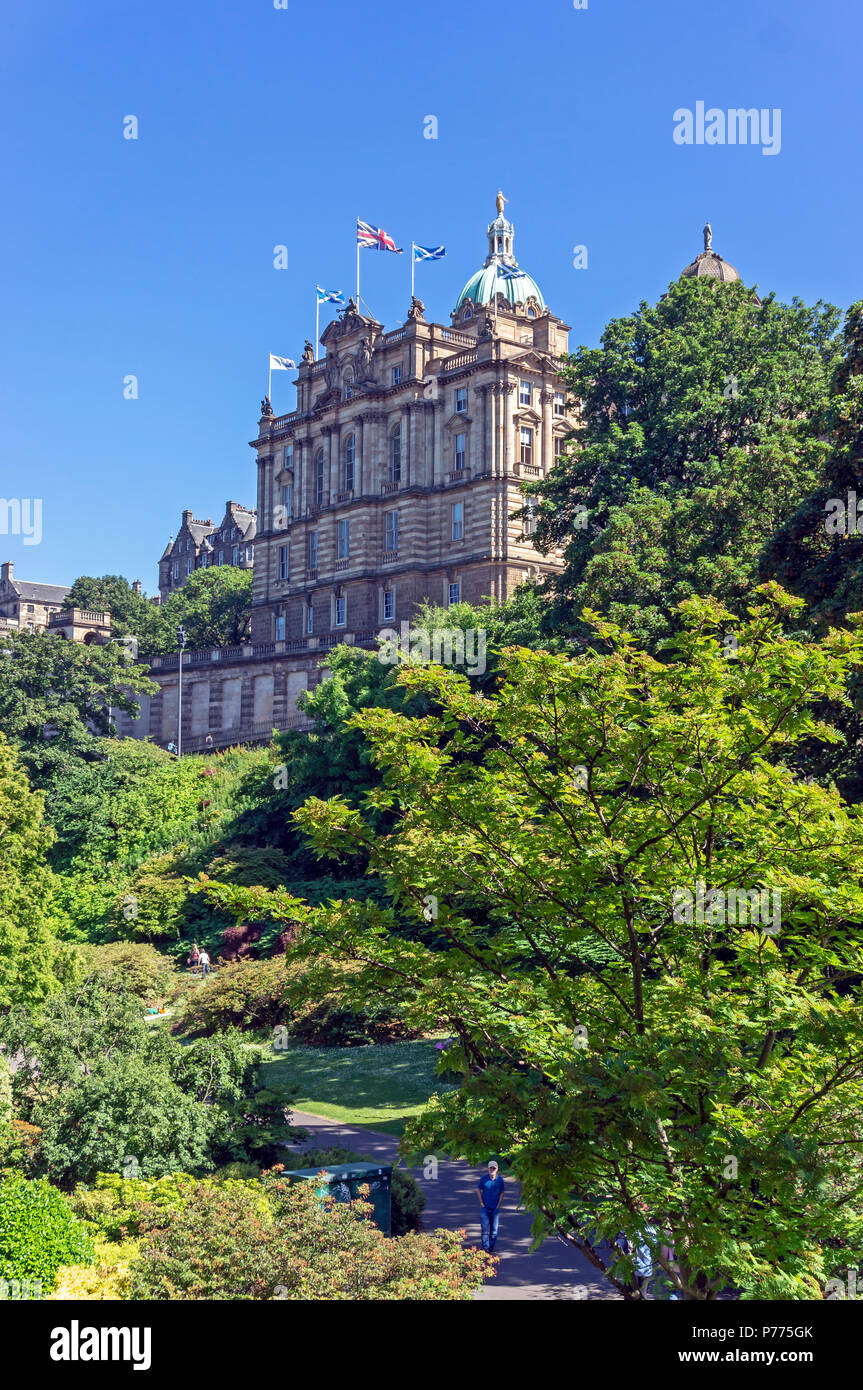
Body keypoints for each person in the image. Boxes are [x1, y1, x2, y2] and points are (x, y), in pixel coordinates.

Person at [476, 1160, 504, 1253]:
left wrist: (499, 1204)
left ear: (497, 1169)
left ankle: (491, 1248)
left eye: (494, 1168)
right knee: (484, 1229)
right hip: (485, 1208)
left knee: (494, 1230)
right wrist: (481, 1203)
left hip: (495, 1209)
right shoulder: (483, 1179)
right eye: (491, 1168)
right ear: (488, 1168)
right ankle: (485, 1247)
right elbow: (478, 1190)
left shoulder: (500, 1180)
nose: (492, 1169)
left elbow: (502, 1192)